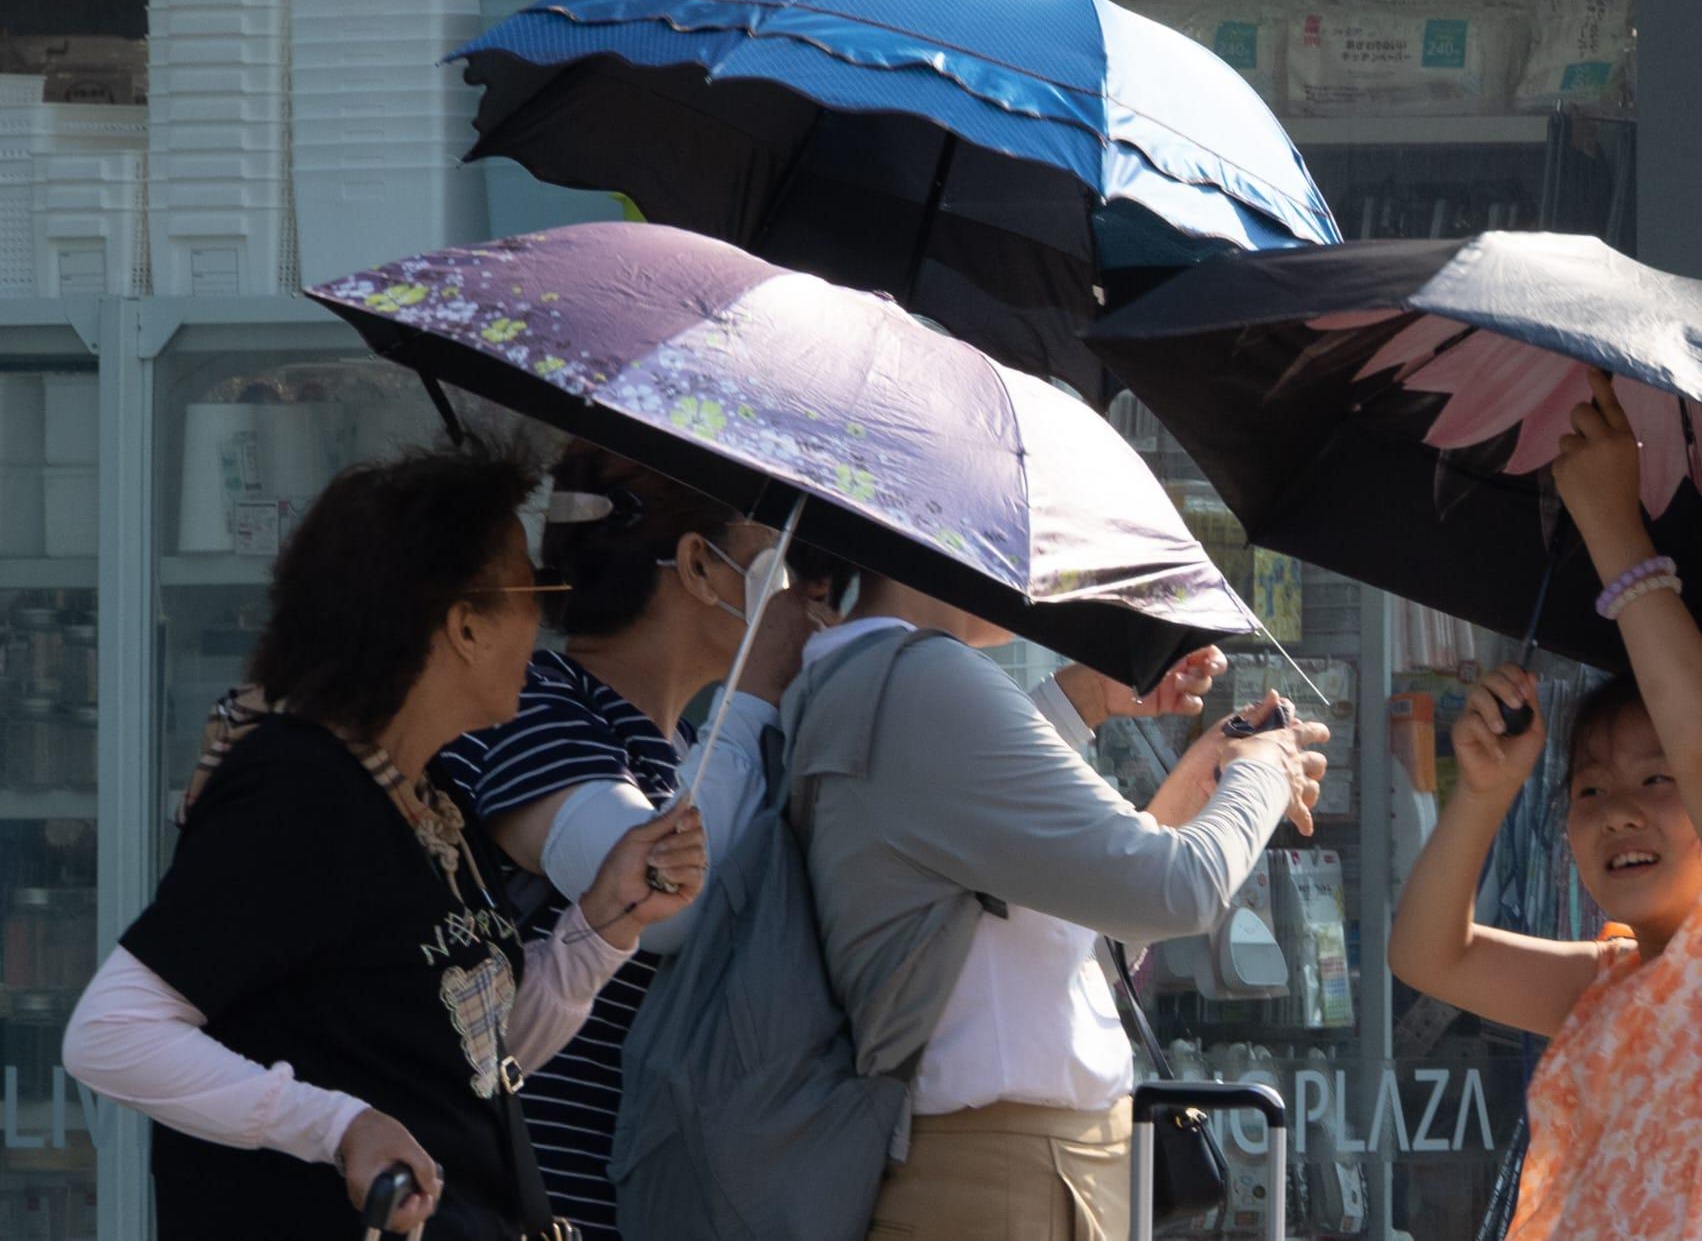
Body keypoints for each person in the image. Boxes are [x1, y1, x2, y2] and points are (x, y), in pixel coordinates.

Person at [61, 446, 707, 1241]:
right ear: (464, 625)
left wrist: (605, 925)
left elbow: (474, 1061)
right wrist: (337, 1125)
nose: (543, 622)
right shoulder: (299, 787)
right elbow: (111, 1035)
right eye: (530, 592)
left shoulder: (431, 799)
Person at [1386, 369, 1702, 1240]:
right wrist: (1486, 793)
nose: (1617, 810)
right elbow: (1431, 953)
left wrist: (1614, 528)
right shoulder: (1604, 984)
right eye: (1589, 787)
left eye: (1658, 781)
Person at [781, 568, 1329, 1241]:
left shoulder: (878, 677)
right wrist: (1261, 770)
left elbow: (1054, 933)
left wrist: (1095, 701)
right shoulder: (921, 678)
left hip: (1011, 1165)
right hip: (1007, 1174)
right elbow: (1176, 887)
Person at [436, 442, 833, 1241]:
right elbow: (660, 898)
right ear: (698, 566)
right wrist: (753, 696)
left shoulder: (685, 747)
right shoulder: (536, 705)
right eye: (767, 560)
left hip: (648, 1189)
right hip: (538, 1195)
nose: (784, 591)